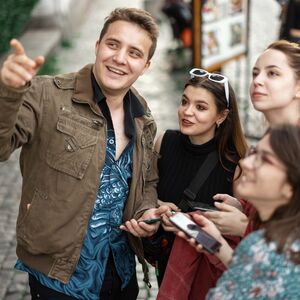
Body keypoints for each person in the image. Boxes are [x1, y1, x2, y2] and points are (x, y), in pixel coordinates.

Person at [0, 7, 169, 300]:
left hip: (120, 273)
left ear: (146, 65)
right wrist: (9, 92)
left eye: (134, 53)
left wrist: (145, 213)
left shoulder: (143, 118)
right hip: (60, 280)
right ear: (97, 46)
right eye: (113, 45)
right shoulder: (45, 95)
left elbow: (146, 183)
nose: (119, 59)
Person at [145, 68, 247, 295]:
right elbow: (147, 191)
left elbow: (235, 241)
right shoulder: (165, 142)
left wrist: (185, 225)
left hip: (209, 277)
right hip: (168, 264)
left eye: (200, 107)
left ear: (221, 116)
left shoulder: (235, 166)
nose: (187, 112)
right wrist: (158, 207)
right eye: (184, 102)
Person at [181, 124, 300, 299]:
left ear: (291, 185)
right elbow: (256, 279)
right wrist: (217, 245)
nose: (245, 163)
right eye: (254, 153)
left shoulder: (263, 247)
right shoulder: (277, 242)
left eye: (265, 160)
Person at [202, 39, 300, 238]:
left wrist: (245, 228)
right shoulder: (273, 135)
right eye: (255, 73)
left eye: (272, 73)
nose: (257, 80)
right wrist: (244, 207)